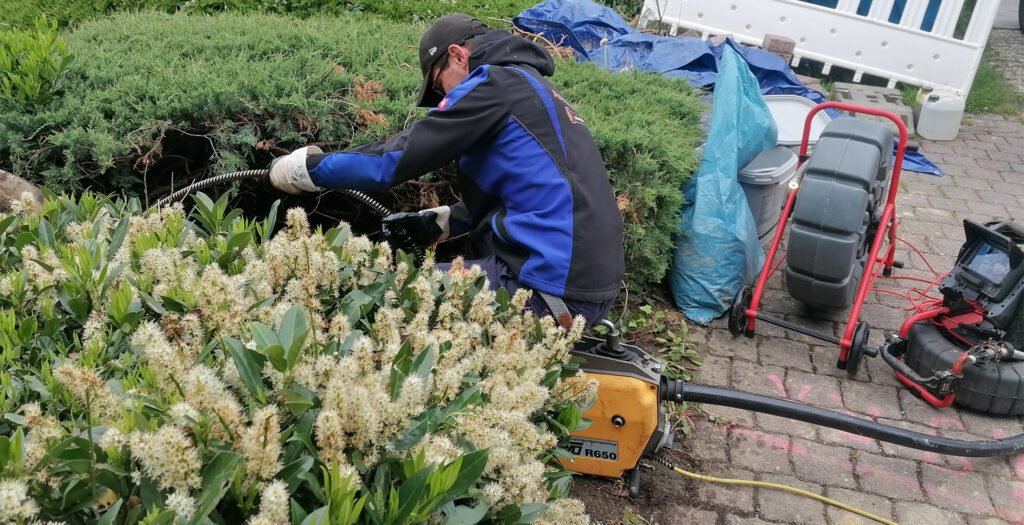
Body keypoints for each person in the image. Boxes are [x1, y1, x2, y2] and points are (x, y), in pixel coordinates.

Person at [269, 13, 624, 328]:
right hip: (583, 289)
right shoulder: (533, 89)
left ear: (457, 54)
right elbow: (533, 192)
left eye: (440, 83)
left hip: (541, 291)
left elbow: (392, 161)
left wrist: (305, 169)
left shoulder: (494, 84)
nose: (443, 98)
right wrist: (444, 221)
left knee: (379, 295)